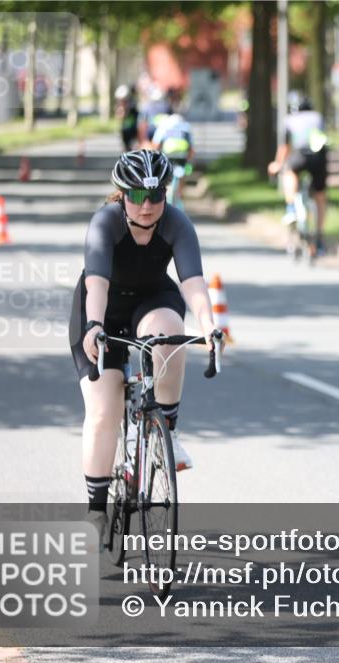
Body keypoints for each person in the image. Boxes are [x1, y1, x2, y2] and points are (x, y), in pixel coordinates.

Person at [69, 149, 220, 534]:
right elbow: (96, 283)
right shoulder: (105, 222)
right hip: (102, 309)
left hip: (152, 300)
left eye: (156, 195)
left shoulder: (176, 223)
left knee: (171, 335)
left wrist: (210, 326)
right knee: (104, 410)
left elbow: (194, 283)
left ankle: (164, 434)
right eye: (137, 196)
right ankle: (96, 511)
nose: (148, 205)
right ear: (121, 195)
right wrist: (94, 325)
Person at [267, 94, 329, 252]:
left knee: (289, 172)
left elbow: (285, 147)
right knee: (320, 196)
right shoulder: (318, 117)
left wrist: (277, 164)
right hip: (319, 156)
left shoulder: (289, 120)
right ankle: (320, 237)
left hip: (300, 155)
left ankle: (291, 208)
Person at [151, 112, 194, 208]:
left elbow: (156, 145)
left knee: (164, 178)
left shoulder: (164, 126)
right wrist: (189, 160)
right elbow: (191, 149)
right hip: (182, 157)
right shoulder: (186, 127)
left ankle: (164, 197)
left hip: (167, 156)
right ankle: (180, 195)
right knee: (182, 175)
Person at [115, 85, 139, 151]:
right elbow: (120, 116)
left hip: (133, 131)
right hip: (125, 131)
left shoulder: (134, 110)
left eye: (124, 101)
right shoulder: (120, 108)